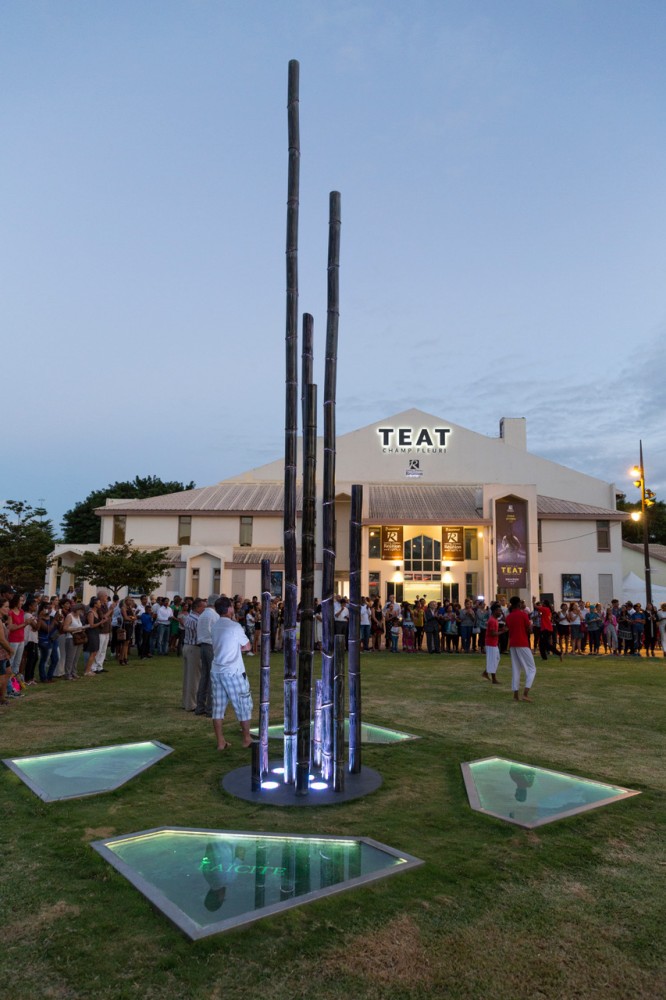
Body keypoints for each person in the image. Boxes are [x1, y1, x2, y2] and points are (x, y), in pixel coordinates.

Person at [210, 596, 254, 750]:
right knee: (243, 704)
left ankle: (220, 742)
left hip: (216, 671)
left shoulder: (215, 626)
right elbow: (247, 646)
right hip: (233, 672)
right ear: (229, 609)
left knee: (218, 707)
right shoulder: (235, 627)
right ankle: (247, 738)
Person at [506, 595, 536, 702]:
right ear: (519, 604)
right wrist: (531, 626)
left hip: (513, 644)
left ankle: (515, 695)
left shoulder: (509, 617)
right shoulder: (523, 615)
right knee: (532, 669)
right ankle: (525, 694)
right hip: (522, 643)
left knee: (516, 669)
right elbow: (529, 630)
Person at [195, 595, 219, 716]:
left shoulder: (203, 614)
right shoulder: (214, 615)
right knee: (212, 677)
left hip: (203, 645)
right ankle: (210, 708)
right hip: (210, 645)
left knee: (204, 676)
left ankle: (200, 706)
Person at [182, 598, 205, 712]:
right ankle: (192, 704)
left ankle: (186, 701)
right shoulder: (197, 619)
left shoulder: (189, 617)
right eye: (203, 607)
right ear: (197, 607)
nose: (204, 609)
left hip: (187, 646)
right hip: (194, 648)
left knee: (188, 677)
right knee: (194, 678)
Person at [481, 601, 503, 684]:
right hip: (491, 643)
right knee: (493, 660)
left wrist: (502, 629)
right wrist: (503, 631)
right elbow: (493, 633)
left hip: (493, 643)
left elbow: (495, 631)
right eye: (499, 611)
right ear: (494, 611)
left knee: (496, 659)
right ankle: (494, 679)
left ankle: (486, 672)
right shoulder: (492, 620)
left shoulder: (495, 619)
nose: (500, 612)